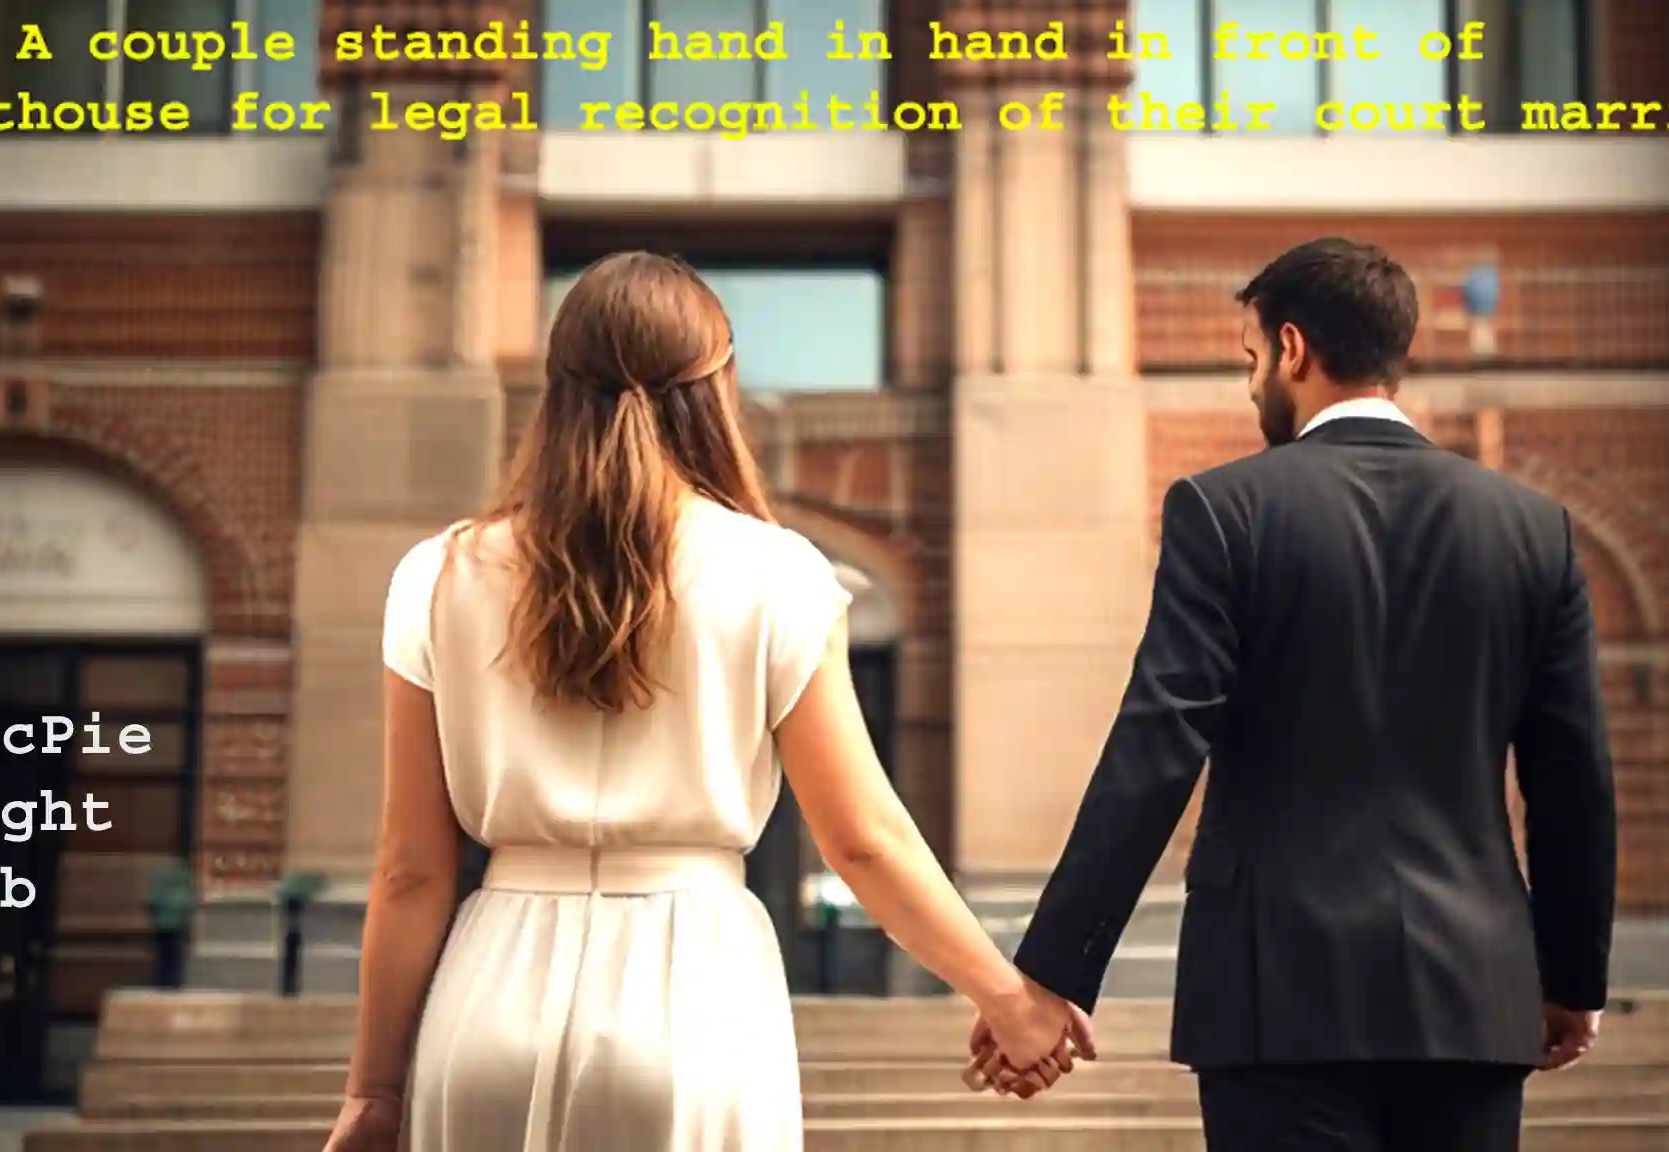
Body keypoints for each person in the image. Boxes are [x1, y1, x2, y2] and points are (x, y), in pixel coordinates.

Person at [321, 251, 1091, 1152]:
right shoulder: (778, 574)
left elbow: (411, 868)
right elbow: (861, 839)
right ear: (718, 385)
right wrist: (1007, 997)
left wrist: (373, 1092)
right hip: (695, 1000)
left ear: (556, 387)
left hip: (487, 996)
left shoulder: (438, 575)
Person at [970, 238, 1619, 1150]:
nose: (1251, 385)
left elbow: (1157, 746)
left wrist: (1053, 974)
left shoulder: (1224, 510)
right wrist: (1573, 975)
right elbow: (1572, 775)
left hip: (1275, 997)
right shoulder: (1531, 529)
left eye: (1250, 361)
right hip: (1471, 993)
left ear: (1292, 349)